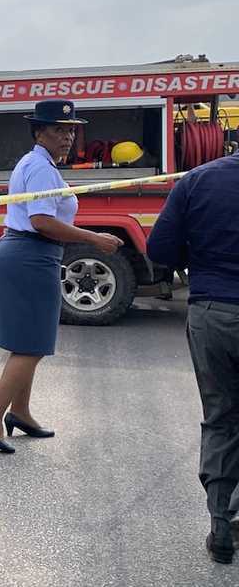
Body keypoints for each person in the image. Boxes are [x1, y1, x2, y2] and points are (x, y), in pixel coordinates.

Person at [0, 100, 124, 453]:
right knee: (33, 344)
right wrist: (93, 239)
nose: (67, 136)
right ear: (38, 132)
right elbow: (42, 221)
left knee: (29, 340)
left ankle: (20, 413)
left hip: (30, 253)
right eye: (58, 129)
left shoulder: (41, 164)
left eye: (71, 129)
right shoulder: (39, 167)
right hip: (29, 253)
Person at [147, 149, 239, 564]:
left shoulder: (198, 180)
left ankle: (222, 525)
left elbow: (160, 247)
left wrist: (199, 261)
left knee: (221, 418)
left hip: (213, 311)